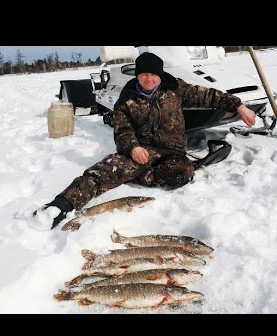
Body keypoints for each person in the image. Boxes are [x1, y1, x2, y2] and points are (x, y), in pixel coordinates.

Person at [29, 52, 256, 230]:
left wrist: (239, 105)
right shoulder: (125, 100)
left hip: (172, 151)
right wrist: (133, 147)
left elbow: (210, 96)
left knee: (184, 173)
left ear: (160, 74)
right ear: (137, 75)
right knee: (105, 171)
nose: (149, 78)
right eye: (144, 74)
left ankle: (141, 174)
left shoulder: (176, 89)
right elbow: (122, 131)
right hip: (142, 150)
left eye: (154, 74)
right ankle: (61, 205)